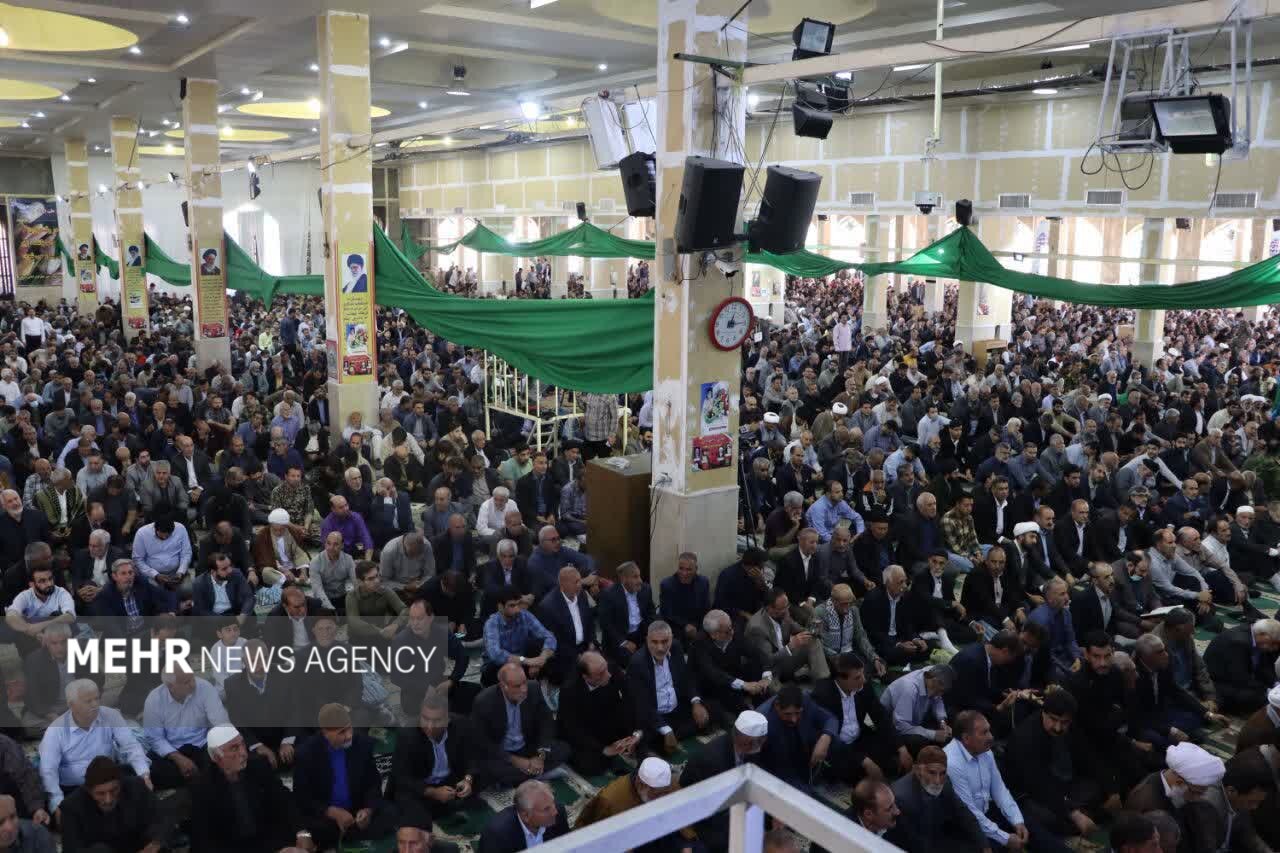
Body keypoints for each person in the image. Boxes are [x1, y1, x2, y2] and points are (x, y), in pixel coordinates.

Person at [946, 710, 1069, 853]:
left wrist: (1017, 821)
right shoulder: (952, 763)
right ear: (966, 738)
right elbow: (969, 814)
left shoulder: (985, 751)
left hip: (987, 810)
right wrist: (1005, 838)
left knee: (1031, 828)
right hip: (964, 826)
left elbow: (999, 790)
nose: (991, 737)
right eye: (984, 733)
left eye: (989, 730)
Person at [1002, 689, 1112, 840]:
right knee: (1048, 818)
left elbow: (1087, 756)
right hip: (1030, 793)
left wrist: (1111, 789)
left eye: (1064, 722)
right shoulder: (1025, 739)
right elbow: (1040, 785)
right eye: (1053, 720)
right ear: (1043, 713)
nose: (1058, 727)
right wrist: (1073, 813)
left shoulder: (1071, 727)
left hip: (1062, 785)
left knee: (1096, 788)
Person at [293, 704, 397, 850]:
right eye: (341, 732)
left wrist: (368, 809)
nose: (349, 736)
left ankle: (343, 835)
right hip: (327, 816)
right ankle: (346, 834)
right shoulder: (306, 754)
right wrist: (332, 812)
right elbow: (302, 798)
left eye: (349, 728)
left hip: (356, 811)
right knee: (307, 828)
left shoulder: (362, 743)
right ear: (325, 732)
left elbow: (373, 783)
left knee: (389, 812)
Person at [38, 680, 151, 815]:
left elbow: (130, 746)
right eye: (88, 701)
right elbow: (48, 770)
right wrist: (57, 803)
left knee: (140, 787)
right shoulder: (55, 730)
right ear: (71, 705)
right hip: (76, 788)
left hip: (109, 780)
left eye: (97, 698)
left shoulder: (110, 715)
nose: (95, 704)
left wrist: (144, 774)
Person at [190, 725, 305, 853]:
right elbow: (203, 840)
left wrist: (303, 833)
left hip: (269, 841)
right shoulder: (203, 786)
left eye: (243, 744)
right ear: (217, 757)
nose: (243, 753)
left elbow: (285, 801)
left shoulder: (258, 765)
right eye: (234, 748)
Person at [391, 689, 479, 831]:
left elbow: (472, 755)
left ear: (447, 719)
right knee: (418, 822)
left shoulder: (461, 724)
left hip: (450, 781)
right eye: (425, 719)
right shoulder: (407, 735)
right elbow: (402, 778)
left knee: (487, 771)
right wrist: (433, 792)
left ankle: (446, 804)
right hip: (421, 787)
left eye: (437, 720)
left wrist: (468, 779)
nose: (430, 726)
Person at [470, 662, 570, 788]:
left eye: (524, 682)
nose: (524, 689)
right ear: (503, 686)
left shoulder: (533, 688)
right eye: (517, 686)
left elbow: (546, 721)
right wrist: (515, 761)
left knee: (564, 749)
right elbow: (483, 742)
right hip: (502, 753)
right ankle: (536, 774)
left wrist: (540, 756)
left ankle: (523, 776)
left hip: (527, 747)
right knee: (488, 769)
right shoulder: (484, 701)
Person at [811, 652, 907, 783]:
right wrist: (863, 760)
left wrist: (901, 748)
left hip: (860, 738)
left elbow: (880, 715)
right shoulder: (822, 695)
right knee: (852, 771)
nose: (864, 680)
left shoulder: (863, 686)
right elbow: (829, 740)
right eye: (857, 677)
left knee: (891, 752)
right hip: (838, 748)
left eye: (863, 674)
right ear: (840, 679)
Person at [679, 711, 767, 849]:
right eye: (755, 742)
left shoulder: (753, 748)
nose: (759, 746)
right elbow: (705, 800)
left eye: (761, 741)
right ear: (740, 738)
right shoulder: (711, 759)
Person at [574, 756, 698, 851]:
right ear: (641, 784)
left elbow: (681, 815)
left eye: (665, 792)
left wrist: (686, 845)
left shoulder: (666, 785)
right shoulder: (611, 801)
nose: (662, 797)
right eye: (657, 795)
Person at [626, 620, 711, 755]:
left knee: (709, 712)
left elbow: (686, 678)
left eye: (665, 641)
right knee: (649, 741)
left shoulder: (676, 647)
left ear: (671, 639)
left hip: (677, 708)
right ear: (647, 640)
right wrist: (666, 729)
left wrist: (696, 702)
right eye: (654, 642)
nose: (660, 648)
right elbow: (643, 704)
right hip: (655, 715)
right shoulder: (637, 663)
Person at [1124, 742, 1225, 853]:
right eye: (1196, 793)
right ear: (1179, 782)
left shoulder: (1173, 786)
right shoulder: (1145, 803)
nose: (1197, 798)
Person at [58, 756, 170, 853]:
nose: (108, 799)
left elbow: (160, 817)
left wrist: (154, 844)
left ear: (120, 784)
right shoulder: (71, 808)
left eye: (114, 790)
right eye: (100, 794)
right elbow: (72, 849)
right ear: (89, 790)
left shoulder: (135, 787)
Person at [889, 745, 989, 853]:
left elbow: (963, 813)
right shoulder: (902, 798)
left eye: (942, 773)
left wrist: (984, 845)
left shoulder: (945, 782)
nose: (937, 781)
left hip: (936, 835)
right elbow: (914, 842)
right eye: (932, 773)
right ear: (918, 770)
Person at [141, 670, 231, 789]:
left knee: (221, 760)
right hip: (172, 750)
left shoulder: (204, 688)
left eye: (192, 678)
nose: (193, 684)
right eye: (186, 682)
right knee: (150, 772)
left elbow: (221, 722)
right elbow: (155, 738)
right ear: (170, 686)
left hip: (202, 745)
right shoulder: (154, 699)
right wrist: (178, 758)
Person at [556, 651, 640, 777]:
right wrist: (603, 749)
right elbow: (573, 729)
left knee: (640, 737)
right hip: (586, 729)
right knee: (589, 765)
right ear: (586, 677)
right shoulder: (569, 690)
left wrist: (634, 733)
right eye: (601, 674)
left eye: (606, 669)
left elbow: (630, 698)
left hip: (607, 717)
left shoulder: (609, 667)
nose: (608, 675)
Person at [744, 587, 830, 690]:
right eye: (782, 608)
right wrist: (790, 646)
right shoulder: (757, 628)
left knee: (812, 641)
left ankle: (823, 686)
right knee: (787, 698)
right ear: (769, 608)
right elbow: (768, 661)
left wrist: (814, 630)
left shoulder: (783, 614)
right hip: (767, 672)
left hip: (783, 661)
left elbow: (800, 630)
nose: (787, 610)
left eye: (787, 606)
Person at [480, 586, 556, 685]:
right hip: (497, 666)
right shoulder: (492, 623)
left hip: (522, 661)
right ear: (500, 607)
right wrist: (528, 661)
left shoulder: (524, 615)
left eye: (519, 604)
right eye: (512, 605)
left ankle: (543, 689)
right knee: (498, 671)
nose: (517, 609)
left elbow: (549, 636)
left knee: (551, 655)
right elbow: (496, 655)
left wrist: (541, 659)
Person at [1203, 617, 1280, 713]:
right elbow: (1240, 678)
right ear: (1262, 634)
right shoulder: (1238, 643)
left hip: (1240, 676)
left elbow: (1264, 666)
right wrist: (1267, 690)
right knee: (1261, 698)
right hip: (1218, 682)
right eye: (1273, 643)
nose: (1275, 648)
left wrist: (1275, 684)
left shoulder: (1255, 634)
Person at [861, 564, 932, 667]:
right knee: (893, 653)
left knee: (926, 646)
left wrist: (915, 639)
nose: (905, 586)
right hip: (882, 641)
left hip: (900, 637)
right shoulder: (873, 599)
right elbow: (874, 632)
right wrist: (899, 645)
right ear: (888, 583)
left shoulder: (905, 596)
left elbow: (908, 624)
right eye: (900, 582)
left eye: (905, 581)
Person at [476, 779, 569, 853]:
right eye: (546, 809)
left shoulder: (559, 813)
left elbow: (567, 846)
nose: (554, 812)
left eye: (553, 803)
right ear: (526, 816)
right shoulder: (497, 835)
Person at [880, 664, 954, 756]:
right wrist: (933, 735)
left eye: (942, 691)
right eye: (939, 691)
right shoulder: (909, 689)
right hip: (893, 727)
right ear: (933, 680)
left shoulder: (932, 674)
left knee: (948, 726)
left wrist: (942, 722)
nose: (939, 694)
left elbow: (937, 700)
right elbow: (901, 726)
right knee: (919, 741)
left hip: (914, 720)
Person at [598, 561, 655, 668]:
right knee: (634, 663)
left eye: (639, 576)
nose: (640, 581)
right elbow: (605, 624)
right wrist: (623, 642)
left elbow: (651, 614)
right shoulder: (608, 594)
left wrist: (650, 634)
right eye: (635, 577)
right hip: (619, 638)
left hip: (641, 634)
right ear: (624, 579)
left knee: (656, 652)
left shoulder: (645, 589)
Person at [1027, 577, 1083, 680]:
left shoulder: (1066, 613)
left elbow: (1071, 640)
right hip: (1047, 663)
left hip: (1063, 655)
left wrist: (1077, 658)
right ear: (1050, 598)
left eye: (1066, 593)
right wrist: (1067, 670)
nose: (1067, 598)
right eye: (1062, 594)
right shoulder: (1040, 620)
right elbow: (1044, 655)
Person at [658, 552, 710, 645]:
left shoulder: (703, 583)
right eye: (681, 568)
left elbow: (706, 609)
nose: (684, 573)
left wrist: (696, 627)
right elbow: (666, 613)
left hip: (698, 627)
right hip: (675, 628)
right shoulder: (667, 585)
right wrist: (685, 625)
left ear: (696, 569)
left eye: (689, 569)